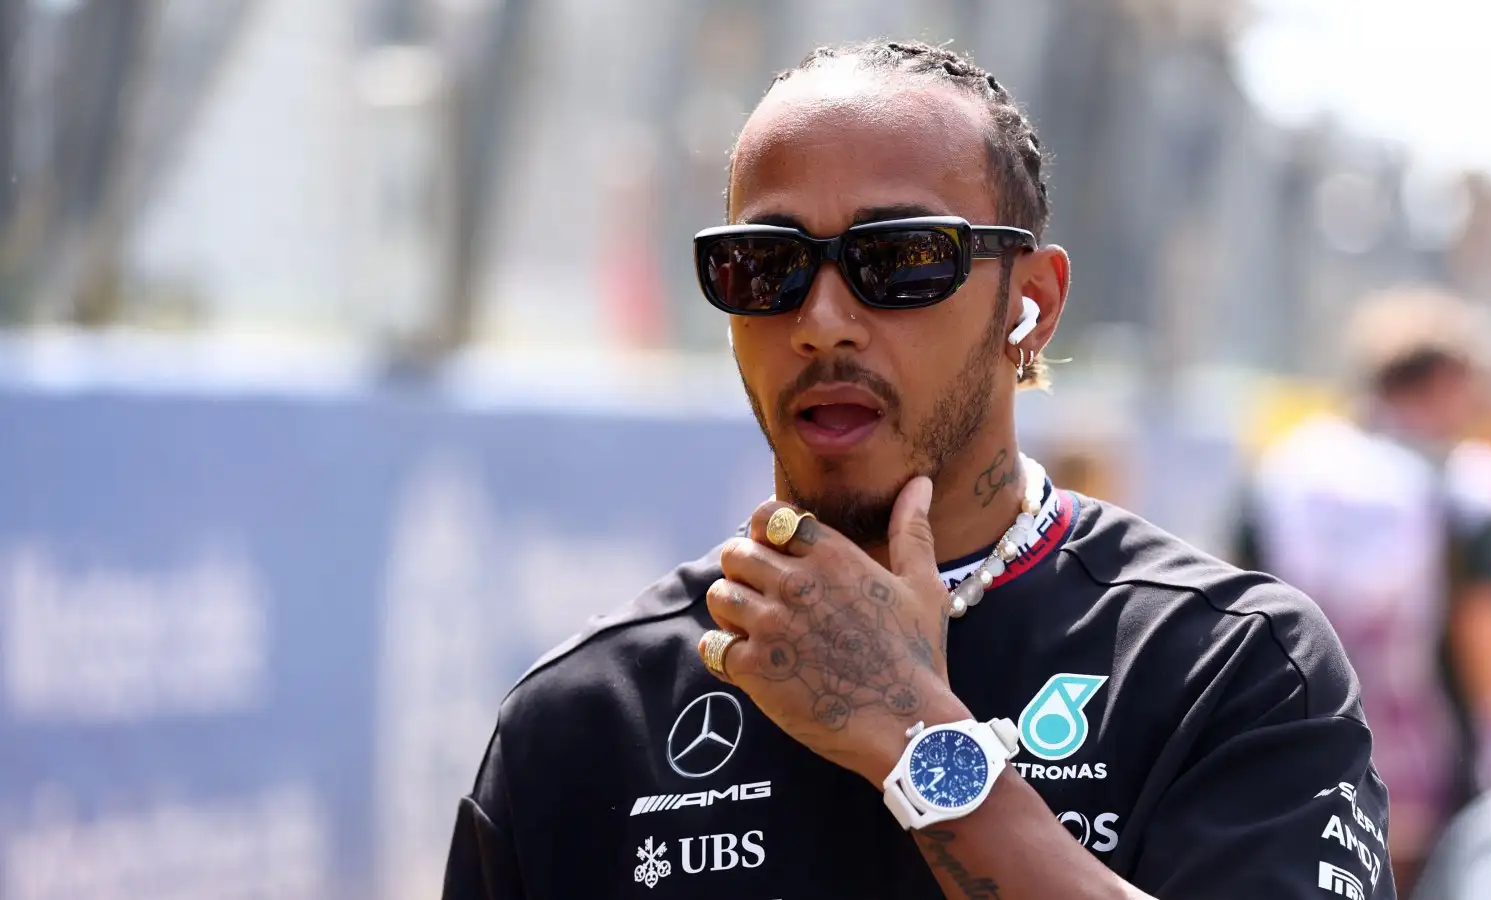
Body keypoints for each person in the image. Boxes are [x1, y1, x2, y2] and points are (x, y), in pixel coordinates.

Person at [444, 40, 1395, 899]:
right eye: (764, 267)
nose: (821, 321)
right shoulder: (581, 720)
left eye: (898, 260)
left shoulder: (1229, 667)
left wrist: (912, 736)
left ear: (1031, 303)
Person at [1236, 288, 1491, 896]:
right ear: (1443, 380)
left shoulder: (1284, 471)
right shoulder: (1467, 485)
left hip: (1296, 761)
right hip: (1435, 783)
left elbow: (1238, 609)